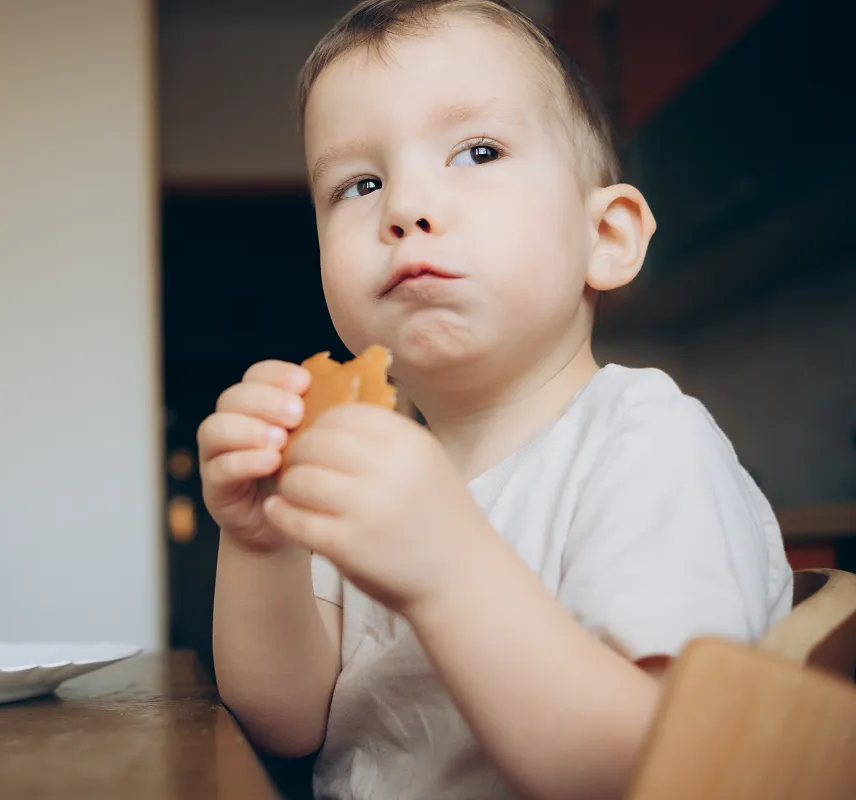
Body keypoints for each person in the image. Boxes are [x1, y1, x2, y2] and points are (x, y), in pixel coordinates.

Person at [196, 2, 793, 798]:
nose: (404, 208)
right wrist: (260, 546)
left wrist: (445, 568)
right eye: (359, 183)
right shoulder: (363, 455)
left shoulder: (644, 443)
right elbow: (290, 720)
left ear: (606, 237)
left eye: (478, 151)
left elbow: (662, 766)